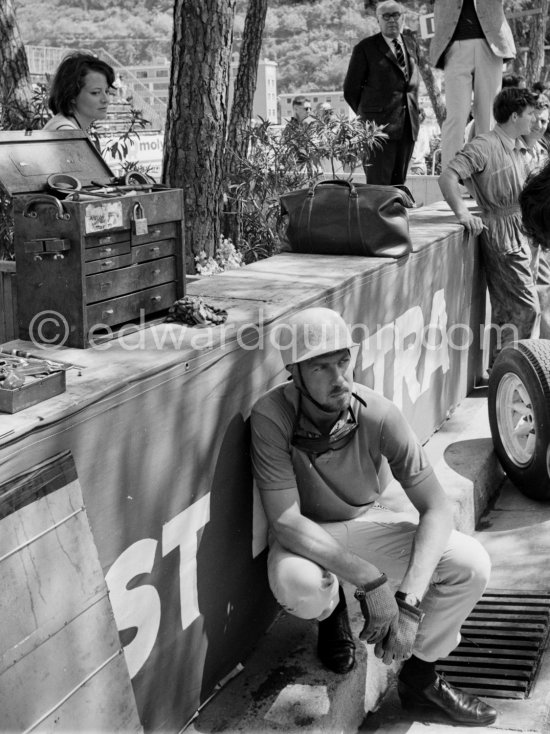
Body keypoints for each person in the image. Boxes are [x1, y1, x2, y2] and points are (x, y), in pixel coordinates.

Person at [251, 307, 497, 727]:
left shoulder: (378, 412)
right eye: (320, 366)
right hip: (307, 536)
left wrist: (409, 604)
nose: (339, 377)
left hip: (365, 520)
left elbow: (436, 507)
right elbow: (287, 523)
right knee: (301, 585)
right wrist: (368, 578)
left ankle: (421, 680)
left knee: (471, 565)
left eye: (343, 359)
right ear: (294, 372)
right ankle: (332, 617)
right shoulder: (271, 416)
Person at [439, 87, 540, 366]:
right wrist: (462, 213)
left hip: (522, 230)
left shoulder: (520, 147)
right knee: (526, 308)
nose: (534, 120)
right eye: (530, 114)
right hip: (501, 232)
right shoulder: (484, 145)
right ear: (514, 115)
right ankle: (514, 371)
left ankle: (500, 371)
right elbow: (448, 176)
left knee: (506, 311)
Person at [429, 0, 516, 170]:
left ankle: (487, 176)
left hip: (491, 45)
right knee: (456, 117)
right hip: (454, 47)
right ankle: (450, 178)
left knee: (488, 117)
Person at [343, 1, 420, 185]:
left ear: (403, 18)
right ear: (378, 20)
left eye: (396, 15)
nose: (391, 20)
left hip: (408, 128)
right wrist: (370, 116)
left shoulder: (410, 44)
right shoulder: (365, 48)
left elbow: (410, 84)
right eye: (386, 16)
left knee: (399, 186)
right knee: (378, 189)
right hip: (378, 132)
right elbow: (350, 90)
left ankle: (397, 215)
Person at [521, 93, 550, 338]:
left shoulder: (542, 151)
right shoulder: (511, 150)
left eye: (545, 121)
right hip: (527, 228)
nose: (540, 126)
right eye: (536, 120)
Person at [43, 53, 115, 133]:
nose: (106, 99)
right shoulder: (67, 132)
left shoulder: (67, 126)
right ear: (72, 95)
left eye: (107, 91)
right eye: (95, 93)